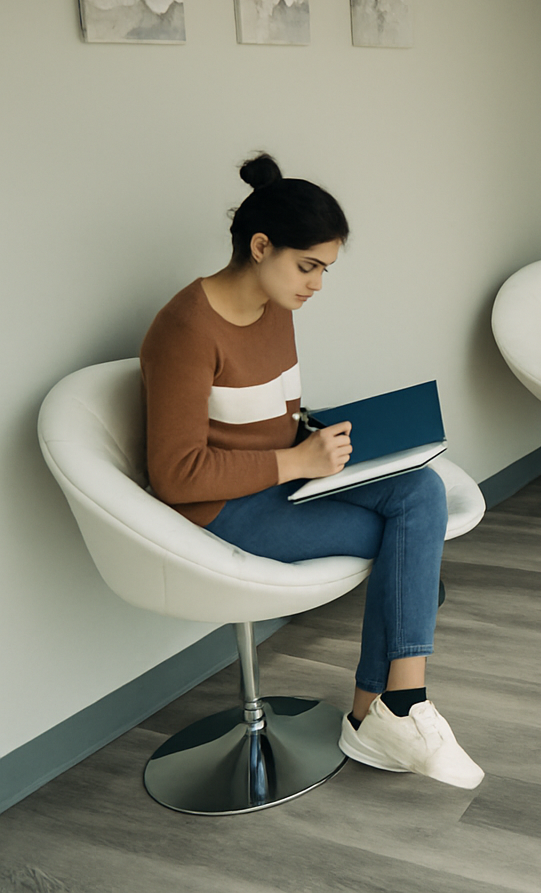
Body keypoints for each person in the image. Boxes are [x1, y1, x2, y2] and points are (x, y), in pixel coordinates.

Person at [139, 152, 483, 790]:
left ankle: (387, 708)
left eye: (325, 269)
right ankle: (388, 709)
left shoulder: (277, 311)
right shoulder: (184, 329)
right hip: (226, 509)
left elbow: (267, 415)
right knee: (408, 539)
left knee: (421, 488)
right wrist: (296, 460)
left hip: (285, 478)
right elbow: (175, 475)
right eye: (308, 267)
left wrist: (322, 438)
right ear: (261, 246)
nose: (316, 285)